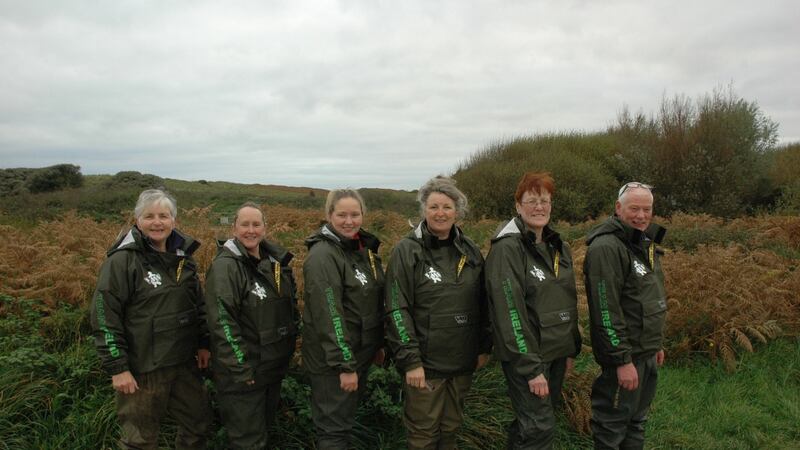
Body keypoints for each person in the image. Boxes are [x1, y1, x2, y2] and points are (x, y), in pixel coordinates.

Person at [90, 188, 211, 449]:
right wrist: (118, 367)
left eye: (163, 216)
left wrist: (203, 342)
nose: (157, 222)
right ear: (138, 221)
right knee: (140, 440)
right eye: (149, 216)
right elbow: (104, 315)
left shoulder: (184, 259)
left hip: (184, 364)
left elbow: (198, 304)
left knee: (197, 424)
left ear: (173, 221)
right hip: (142, 368)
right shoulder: (122, 261)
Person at [384, 176, 491, 450]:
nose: (440, 213)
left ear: (457, 211)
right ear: (424, 210)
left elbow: (484, 304)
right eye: (433, 207)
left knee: (451, 429)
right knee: (423, 435)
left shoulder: (470, 250)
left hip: (462, 362)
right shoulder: (407, 250)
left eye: (447, 207)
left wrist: (483, 347)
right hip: (425, 365)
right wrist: (411, 361)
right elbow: (397, 308)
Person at [485, 172, 581, 449]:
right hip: (527, 357)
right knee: (539, 428)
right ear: (518, 206)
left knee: (531, 425)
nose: (539, 207)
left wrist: (569, 349)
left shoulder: (558, 246)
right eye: (531, 201)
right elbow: (508, 311)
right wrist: (530, 368)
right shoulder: (507, 249)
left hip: (557, 353)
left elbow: (566, 300)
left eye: (545, 201)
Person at [204, 202, 298, 449]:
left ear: (265, 228)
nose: (251, 230)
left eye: (256, 224)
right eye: (244, 224)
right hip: (242, 375)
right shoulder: (226, 267)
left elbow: (290, 311)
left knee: (263, 434)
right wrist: (241, 368)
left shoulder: (276, 263)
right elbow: (222, 322)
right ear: (234, 228)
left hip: (270, 370)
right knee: (248, 441)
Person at [584, 182, 667, 450]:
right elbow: (605, 310)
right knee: (612, 426)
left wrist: (656, 344)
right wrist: (621, 360)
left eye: (647, 209)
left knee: (637, 421)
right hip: (625, 356)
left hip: (645, 352)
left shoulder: (643, 241)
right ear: (618, 208)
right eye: (634, 209)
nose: (641, 216)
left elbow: (647, 297)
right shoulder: (606, 248)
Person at [301, 189, 386, 449]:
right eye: (342, 215)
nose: (349, 221)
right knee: (333, 430)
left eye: (355, 214)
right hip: (333, 363)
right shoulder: (323, 255)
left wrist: (377, 343)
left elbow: (370, 302)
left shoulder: (359, 250)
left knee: (344, 424)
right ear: (329, 215)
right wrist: (344, 366)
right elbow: (329, 315)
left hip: (358, 354)